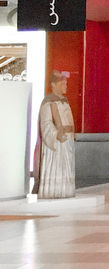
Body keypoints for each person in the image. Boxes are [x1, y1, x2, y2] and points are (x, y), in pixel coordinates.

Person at [33, 71, 76, 199]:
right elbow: (45, 124)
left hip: (67, 143)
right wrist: (56, 134)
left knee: (66, 168)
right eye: (63, 83)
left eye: (66, 83)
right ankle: (53, 191)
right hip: (56, 144)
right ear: (54, 84)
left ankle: (66, 191)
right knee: (56, 168)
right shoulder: (48, 102)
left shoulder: (65, 101)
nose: (66, 86)